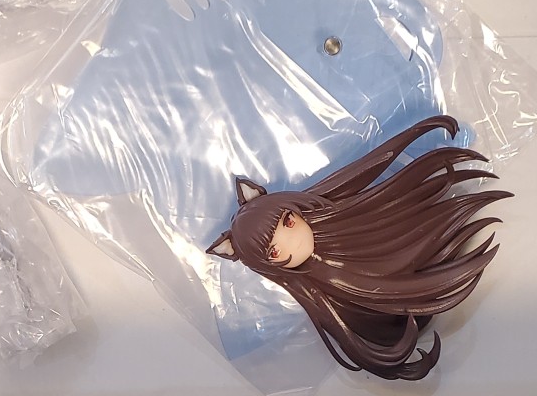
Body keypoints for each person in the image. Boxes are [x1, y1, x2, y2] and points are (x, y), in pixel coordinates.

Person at [206, 115, 509, 380]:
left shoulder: (360, 226)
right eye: (274, 252)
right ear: (268, 266)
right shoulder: (329, 300)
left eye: (287, 222)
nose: (291, 240)